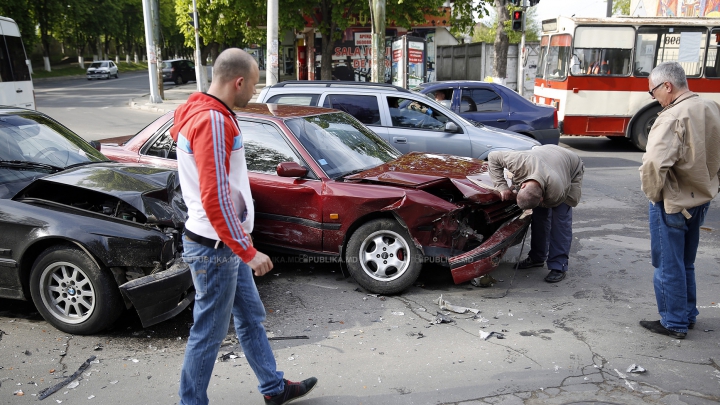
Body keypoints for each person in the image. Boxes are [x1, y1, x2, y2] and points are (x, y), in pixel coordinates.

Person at [170, 48, 318, 405]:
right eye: (253, 84)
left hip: (220, 243)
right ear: (238, 82)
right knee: (208, 331)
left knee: (250, 316)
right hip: (217, 248)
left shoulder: (197, 109)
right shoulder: (213, 120)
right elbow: (215, 195)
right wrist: (246, 251)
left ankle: (273, 387)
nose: (254, 91)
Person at [638, 61, 720, 339]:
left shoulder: (672, 116)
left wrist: (653, 196)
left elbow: (653, 164)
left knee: (668, 263)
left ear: (667, 86)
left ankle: (674, 322)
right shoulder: (711, 107)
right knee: (686, 261)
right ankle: (687, 314)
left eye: (653, 92)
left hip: (672, 201)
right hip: (701, 197)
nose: (653, 98)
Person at [487, 145, 584, 283]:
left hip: (570, 167)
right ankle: (537, 258)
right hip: (545, 154)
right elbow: (493, 156)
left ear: (542, 198)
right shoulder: (518, 162)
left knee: (560, 221)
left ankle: (558, 265)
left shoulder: (556, 190)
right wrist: (501, 187)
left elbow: (550, 204)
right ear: (523, 186)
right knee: (539, 217)